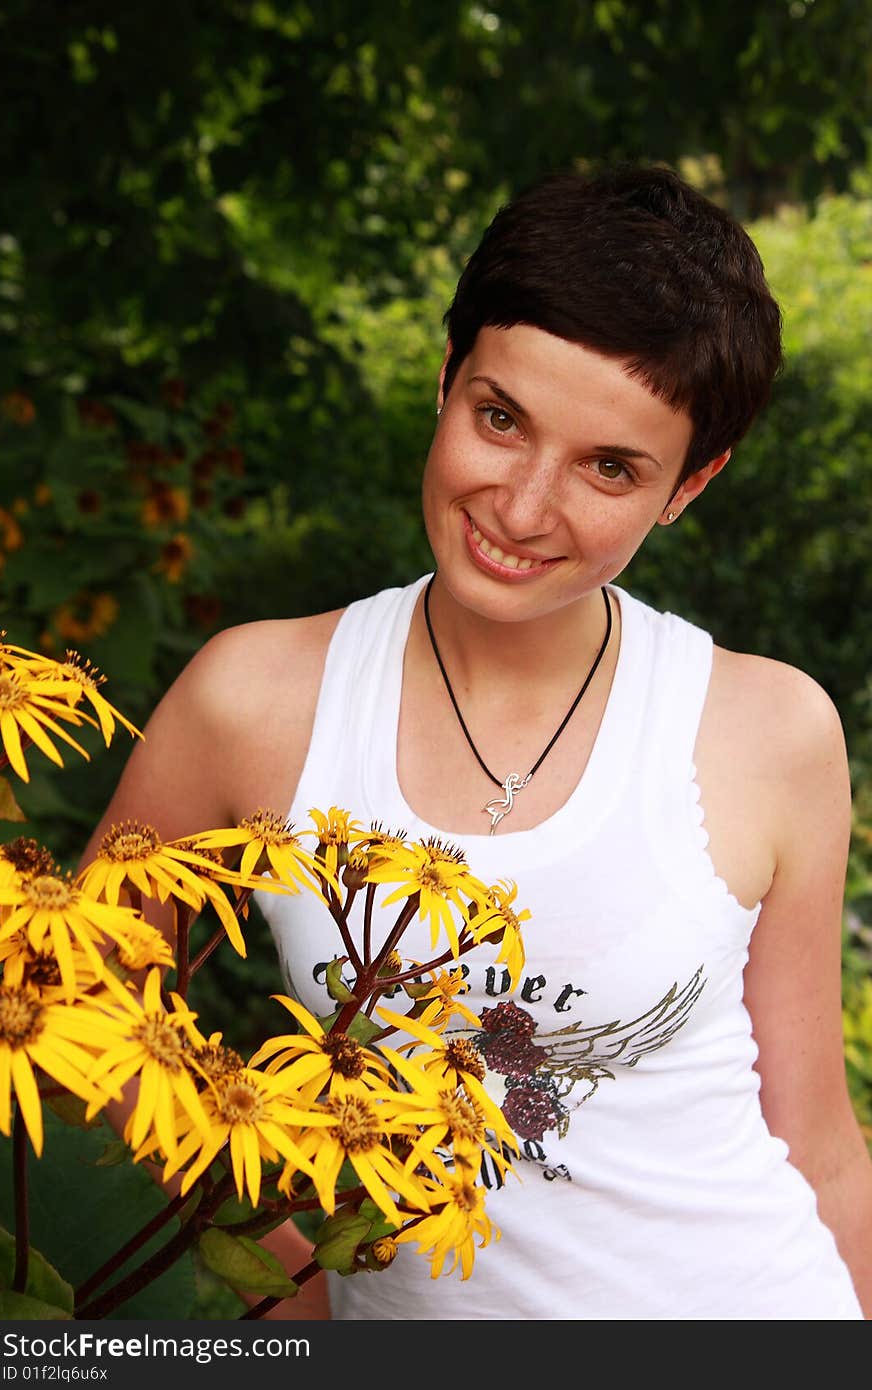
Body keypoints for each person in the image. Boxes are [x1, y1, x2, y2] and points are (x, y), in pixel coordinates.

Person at [83, 163, 872, 1319]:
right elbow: (74, 1005)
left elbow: (816, 1139)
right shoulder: (250, 700)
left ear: (687, 488)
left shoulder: (769, 728)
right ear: (446, 381)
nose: (521, 507)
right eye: (500, 419)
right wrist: (275, 1259)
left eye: (611, 467)